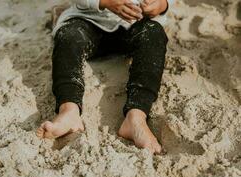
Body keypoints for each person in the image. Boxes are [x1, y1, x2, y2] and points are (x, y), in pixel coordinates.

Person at [37, 0, 169, 154]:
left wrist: (162, 5)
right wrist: (105, 2)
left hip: (136, 25)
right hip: (87, 20)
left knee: (154, 33)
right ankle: (68, 110)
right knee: (68, 36)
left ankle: (136, 117)